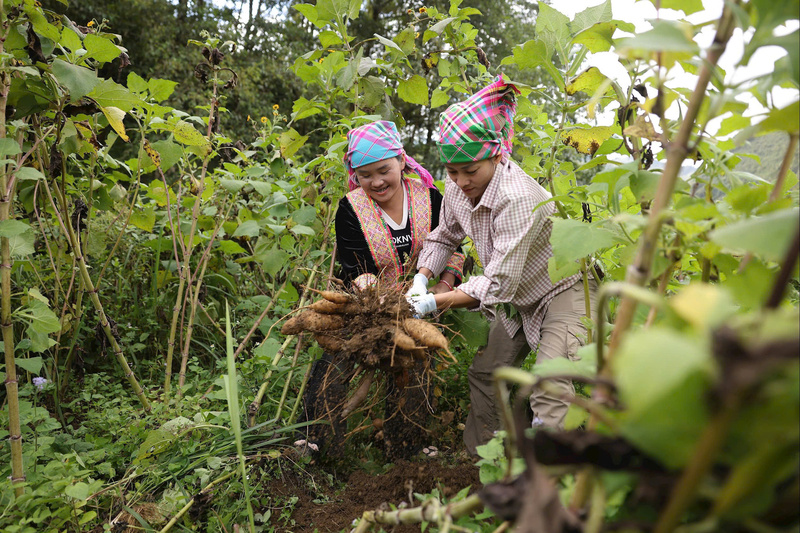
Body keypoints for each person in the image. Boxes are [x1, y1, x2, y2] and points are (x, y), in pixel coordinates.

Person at [406, 76, 598, 456]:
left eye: (469, 171)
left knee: (549, 382)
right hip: (519, 297)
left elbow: (498, 285)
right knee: (485, 373)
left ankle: (549, 480)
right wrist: (421, 278)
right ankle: (488, 465)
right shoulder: (459, 190)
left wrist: (435, 304)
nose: (460, 181)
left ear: (497, 155)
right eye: (451, 171)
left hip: (563, 289)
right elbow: (445, 236)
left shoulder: (517, 199)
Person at [300, 120, 465, 459]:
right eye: (364, 175)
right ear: (355, 175)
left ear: (402, 161)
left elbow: (454, 248)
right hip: (366, 303)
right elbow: (355, 267)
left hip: (423, 303)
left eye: (383, 170)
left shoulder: (430, 197)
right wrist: (382, 307)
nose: (376, 182)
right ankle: (315, 441)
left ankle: (408, 446)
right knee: (337, 357)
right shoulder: (351, 209)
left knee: (416, 361)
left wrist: (441, 289)